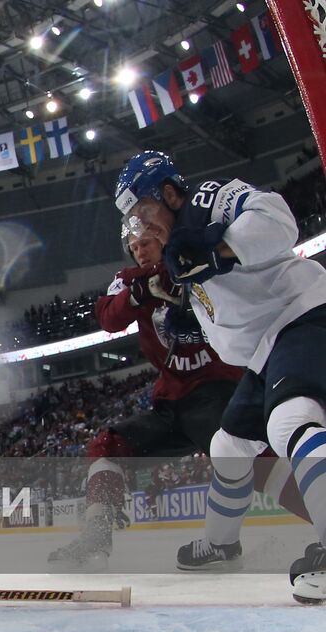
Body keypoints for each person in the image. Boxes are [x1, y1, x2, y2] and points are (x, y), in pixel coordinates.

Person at [115, 150, 326, 602]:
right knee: (228, 446)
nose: (140, 230)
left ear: (171, 194)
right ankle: (222, 543)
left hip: (306, 314)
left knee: (289, 421)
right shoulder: (178, 258)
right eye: (133, 223)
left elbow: (278, 220)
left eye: (145, 214)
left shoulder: (206, 203)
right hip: (268, 349)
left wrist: (217, 249)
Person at [48, 215, 245, 568]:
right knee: (106, 446)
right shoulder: (129, 281)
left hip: (216, 389)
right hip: (171, 402)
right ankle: (97, 537)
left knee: (252, 459)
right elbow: (108, 317)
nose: (140, 251)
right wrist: (140, 291)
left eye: (147, 243)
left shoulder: (192, 257)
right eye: (134, 247)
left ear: (164, 240)